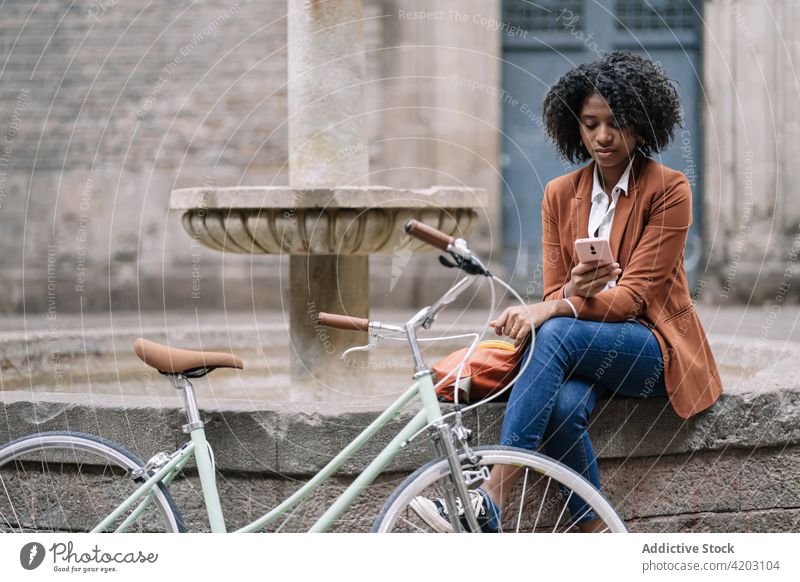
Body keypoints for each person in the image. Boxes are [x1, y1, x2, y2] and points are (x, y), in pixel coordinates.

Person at [411, 51, 723, 533]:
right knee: (560, 406)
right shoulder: (560, 193)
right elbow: (559, 289)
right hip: (586, 345)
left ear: (642, 123)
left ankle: (490, 500)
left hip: (653, 349)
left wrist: (558, 304)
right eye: (590, 123)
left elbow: (635, 299)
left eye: (616, 123)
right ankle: (598, 531)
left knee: (554, 331)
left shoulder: (669, 189)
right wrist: (571, 291)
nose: (602, 136)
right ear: (573, 126)